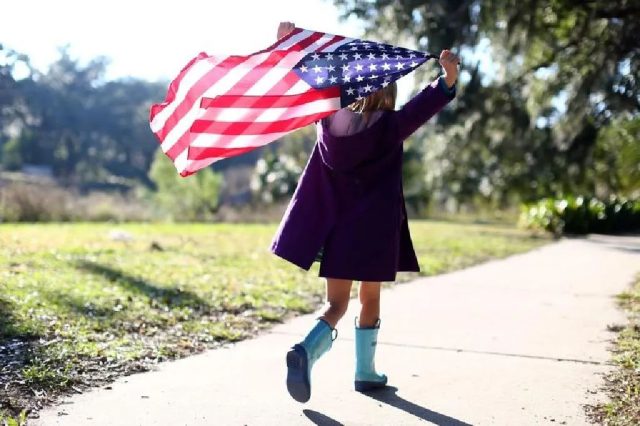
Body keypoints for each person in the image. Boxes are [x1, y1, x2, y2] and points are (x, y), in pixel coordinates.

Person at [271, 21, 459, 403]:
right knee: (369, 300)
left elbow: (314, 81)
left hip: (336, 230)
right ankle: (365, 372)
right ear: (389, 92)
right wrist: (448, 78)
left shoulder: (327, 120)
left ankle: (306, 351)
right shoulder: (392, 127)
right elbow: (427, 104)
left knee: (335, 304)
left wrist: (289, 46)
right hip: (373, 232)